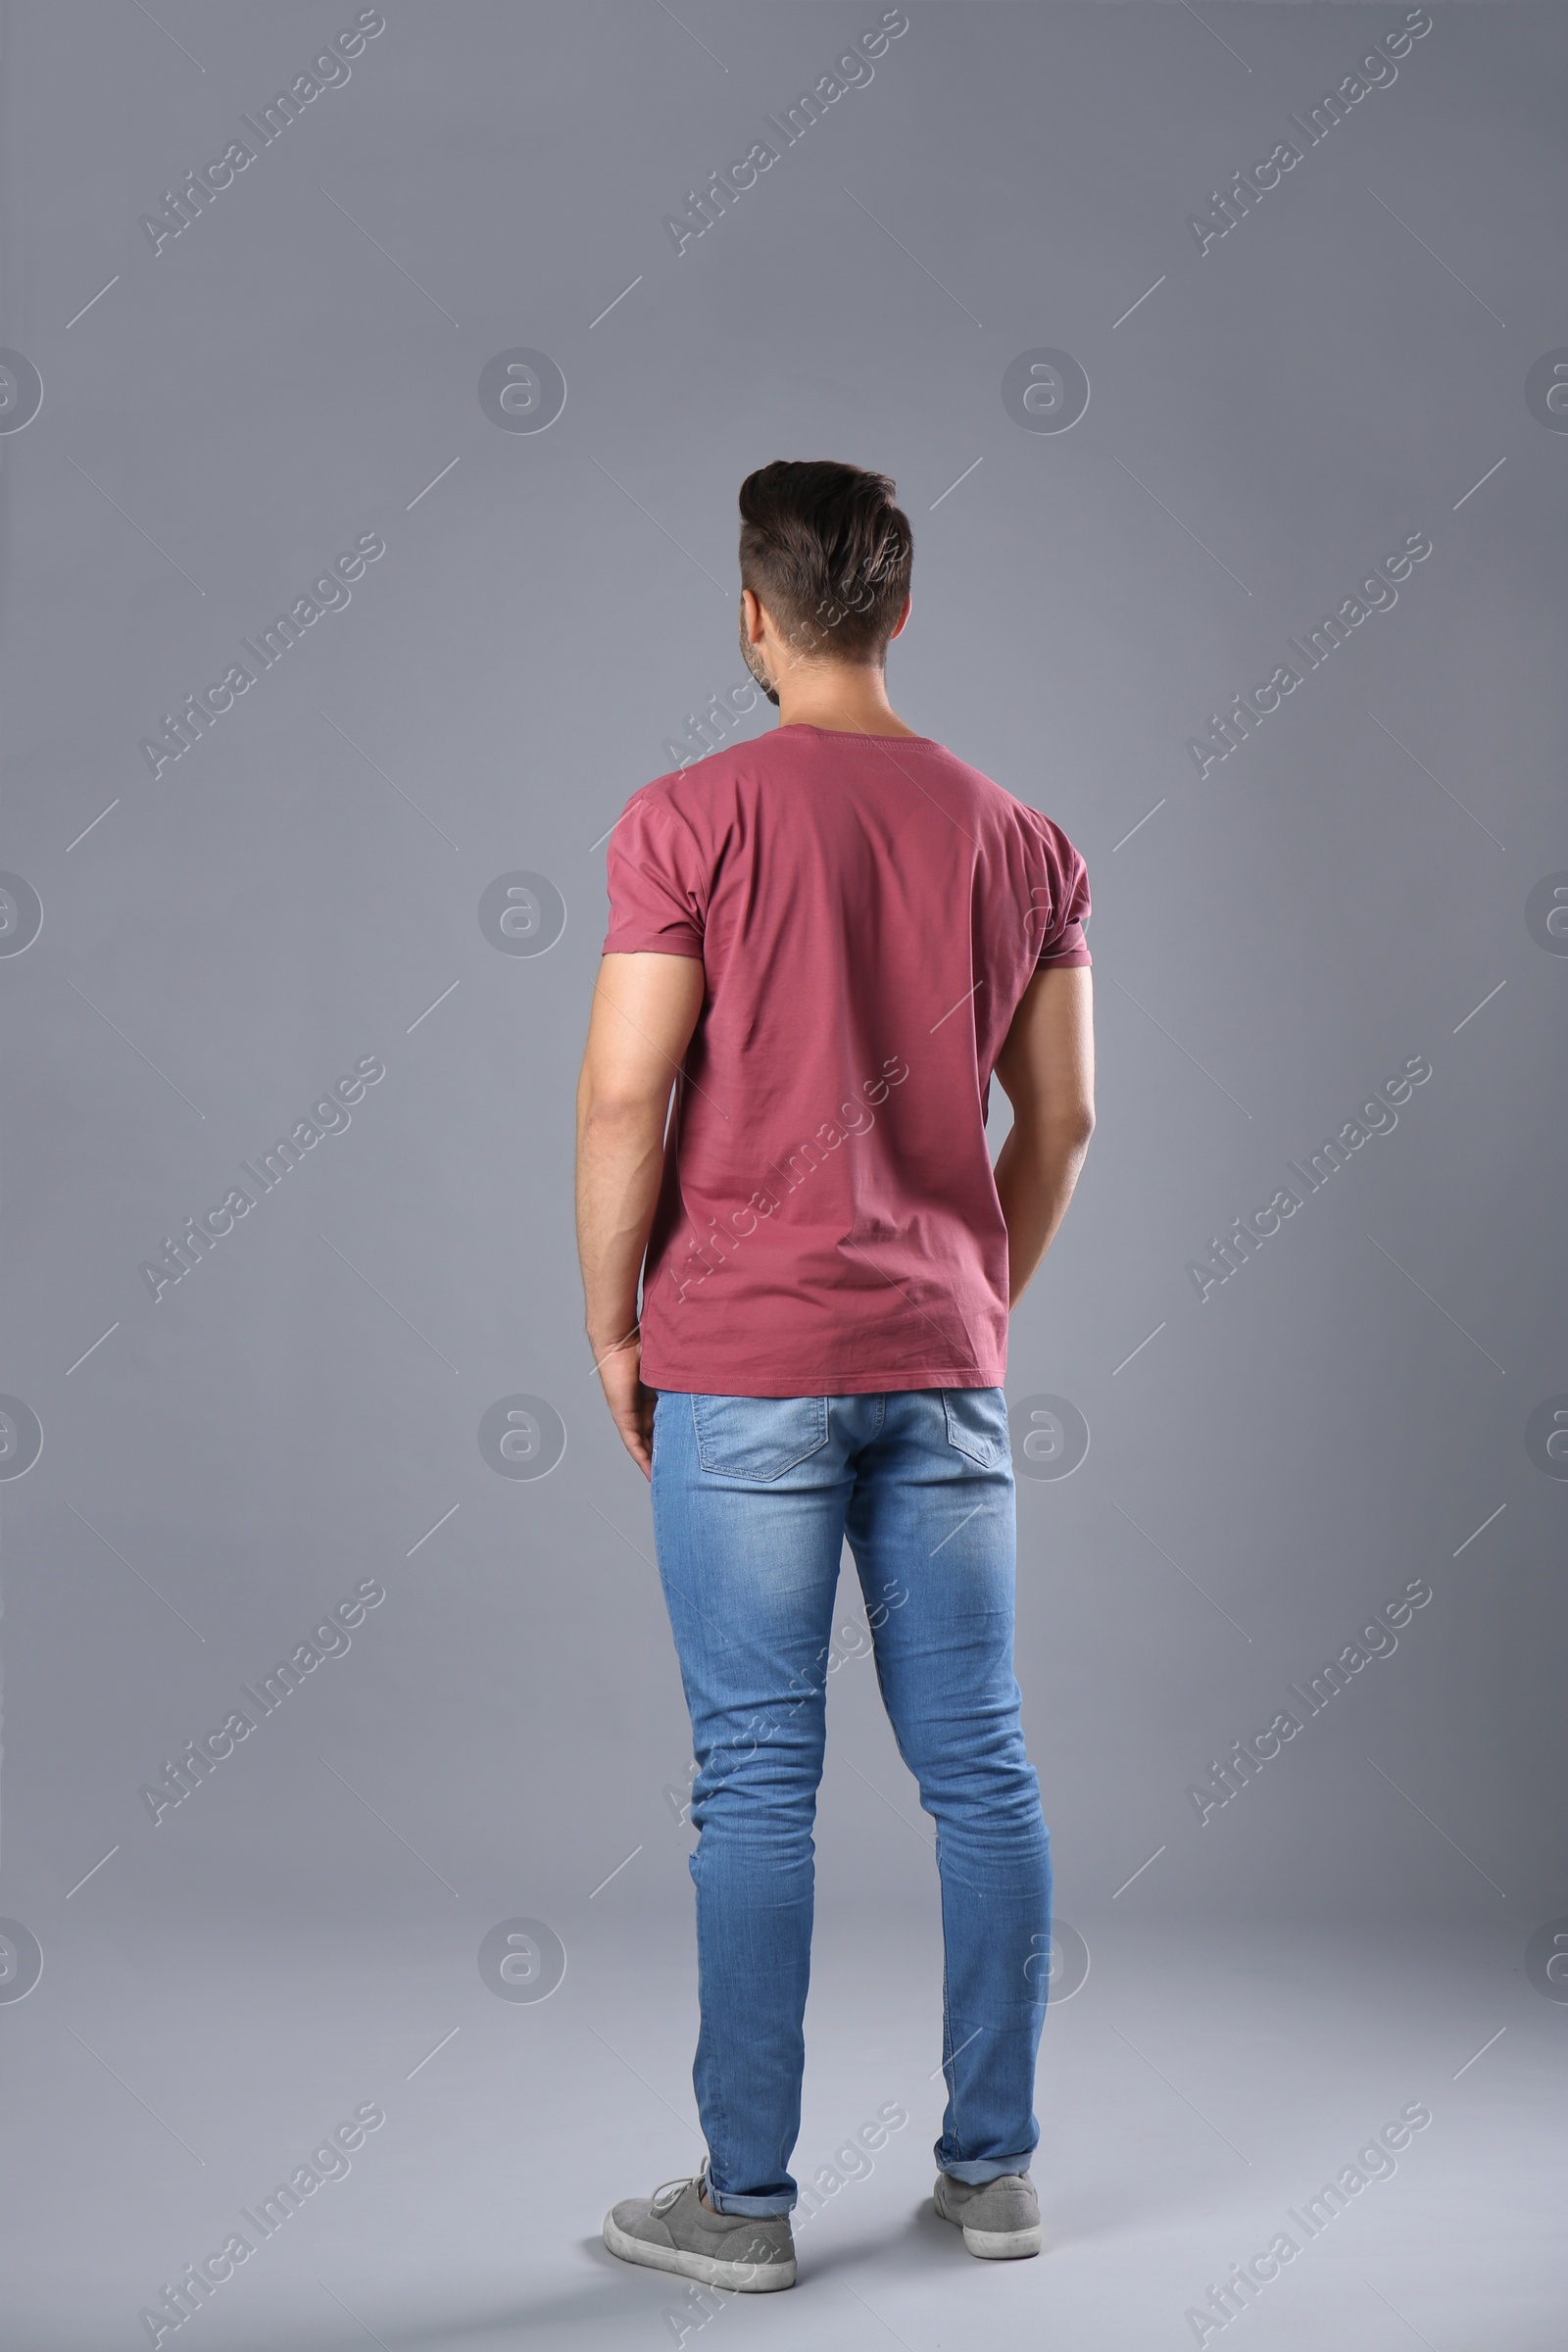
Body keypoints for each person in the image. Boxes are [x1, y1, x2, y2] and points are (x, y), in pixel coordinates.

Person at [574, 460, 1096, 2293]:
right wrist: (971, 1292)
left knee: (754, 1781)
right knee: (984, 1766)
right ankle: (998, 2172)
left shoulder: (685, 817)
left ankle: (744, 2206)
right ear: (895, 610)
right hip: (938, 1363)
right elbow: (1070, 1111)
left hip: (744, 1363)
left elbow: (629, 1093)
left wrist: (617, 1325)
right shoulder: (1019, 833)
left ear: (752, 612)